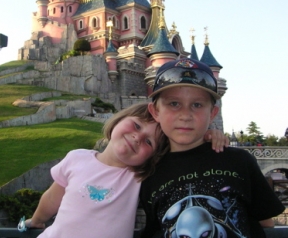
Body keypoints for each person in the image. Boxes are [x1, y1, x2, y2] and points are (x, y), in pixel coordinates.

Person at [18, 102, 227, 238]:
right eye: (136, 126)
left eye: (149, 142)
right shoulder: (77, 157)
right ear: (119, 120)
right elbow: (53, 198)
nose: (137, 137)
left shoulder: (139, 177)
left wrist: (206, 136)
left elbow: (182, 158)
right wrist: (36, 221)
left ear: (152, 157)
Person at [139, 58, 285, 238]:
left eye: (197, 105)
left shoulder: (239, 160)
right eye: (174, 104)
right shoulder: (149, 174)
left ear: (213, 113)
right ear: (155, 112)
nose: (186, 115)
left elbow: (266, 222)